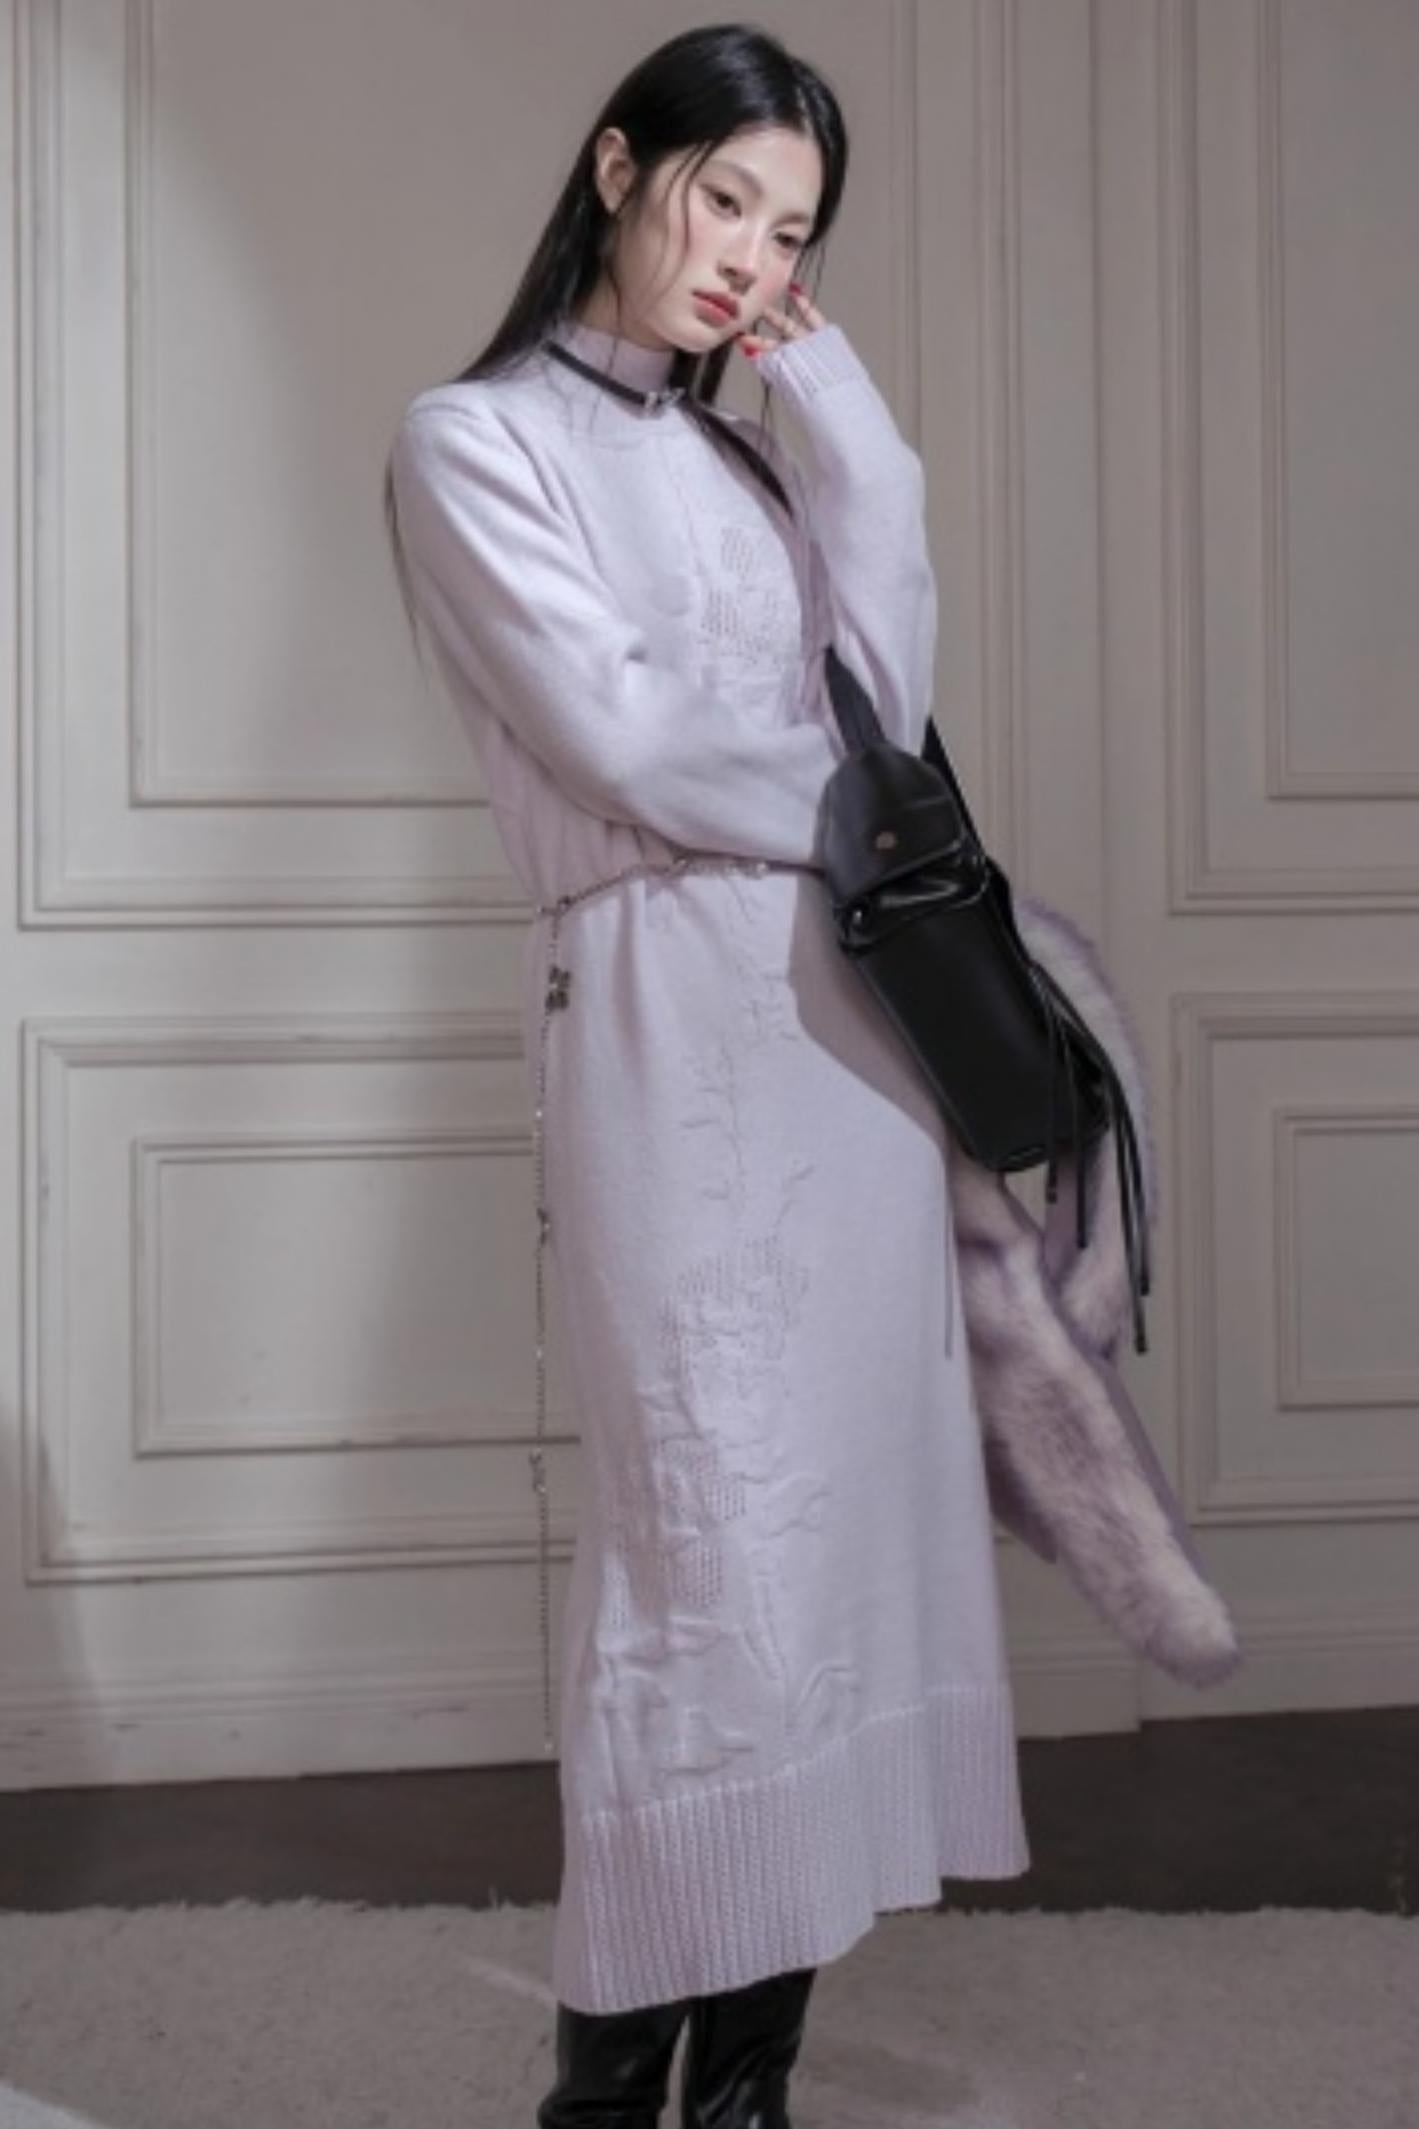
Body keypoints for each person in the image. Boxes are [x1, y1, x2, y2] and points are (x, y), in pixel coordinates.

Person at [384, 23, 1032, 2125]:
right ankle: (602, 2099)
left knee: (824, 1565)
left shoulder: (756, 462)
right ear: (617, 167)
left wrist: (848, 437)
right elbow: (632, 744)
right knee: (704, 1559)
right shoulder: (474, 442)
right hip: (665, 1031)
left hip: (849, 1057)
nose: (749, 257)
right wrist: (846, 806)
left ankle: (743, 2092)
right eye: (723, 197)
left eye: (791, 231)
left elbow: (887, 714)